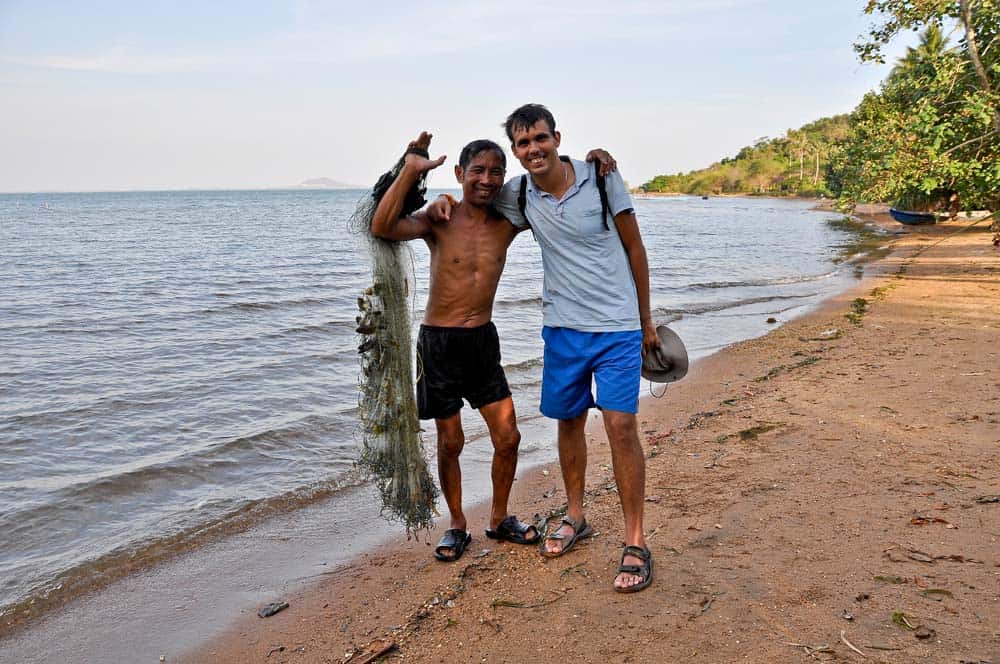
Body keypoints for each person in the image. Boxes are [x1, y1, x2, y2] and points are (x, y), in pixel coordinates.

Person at [428, 104, 657, 592]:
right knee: (568, 424)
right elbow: (478, 210)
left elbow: (635, 249)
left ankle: (635, 540)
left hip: (617, 328)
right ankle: (576, 516)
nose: (534, 149)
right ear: (516, 151)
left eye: (540, 139)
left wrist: (646, 323)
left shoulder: (599, 176)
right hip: (562, 330)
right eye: (523, 143)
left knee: (619, 426)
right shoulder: (521, 193)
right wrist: (438, 203)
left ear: (557, 138)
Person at [370, 132, 537, 562]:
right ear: (460, 174)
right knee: (451, 442)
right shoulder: (439, 219)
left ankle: (499, 519)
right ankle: (457, 524)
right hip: (439, 344)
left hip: (482, 341)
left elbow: (556, 193)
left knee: (508, 436)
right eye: (477, 171)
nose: (487, 179)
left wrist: (592, 163)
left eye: (496, 171)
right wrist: (411, 169)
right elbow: (383, 226)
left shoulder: (509, 222)